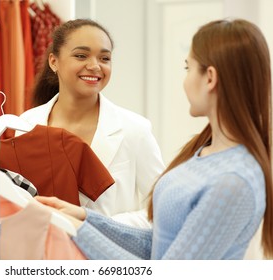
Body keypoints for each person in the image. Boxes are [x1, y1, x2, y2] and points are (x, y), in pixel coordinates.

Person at [35, 18, 273, 260]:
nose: (185, 79)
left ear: (210, 78)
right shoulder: (203, 152)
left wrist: (77, 231)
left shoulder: (232, 182)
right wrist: (84, 219)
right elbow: (161, 241)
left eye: (187, 68)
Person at [17, 19, 165, 228]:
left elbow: (161, 209)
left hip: (107, 254)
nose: (95, 66)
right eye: (81, 55)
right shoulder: (25, 124)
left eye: (104, 58)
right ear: (54, 62)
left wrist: (95, 223)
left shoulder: (135, 129)